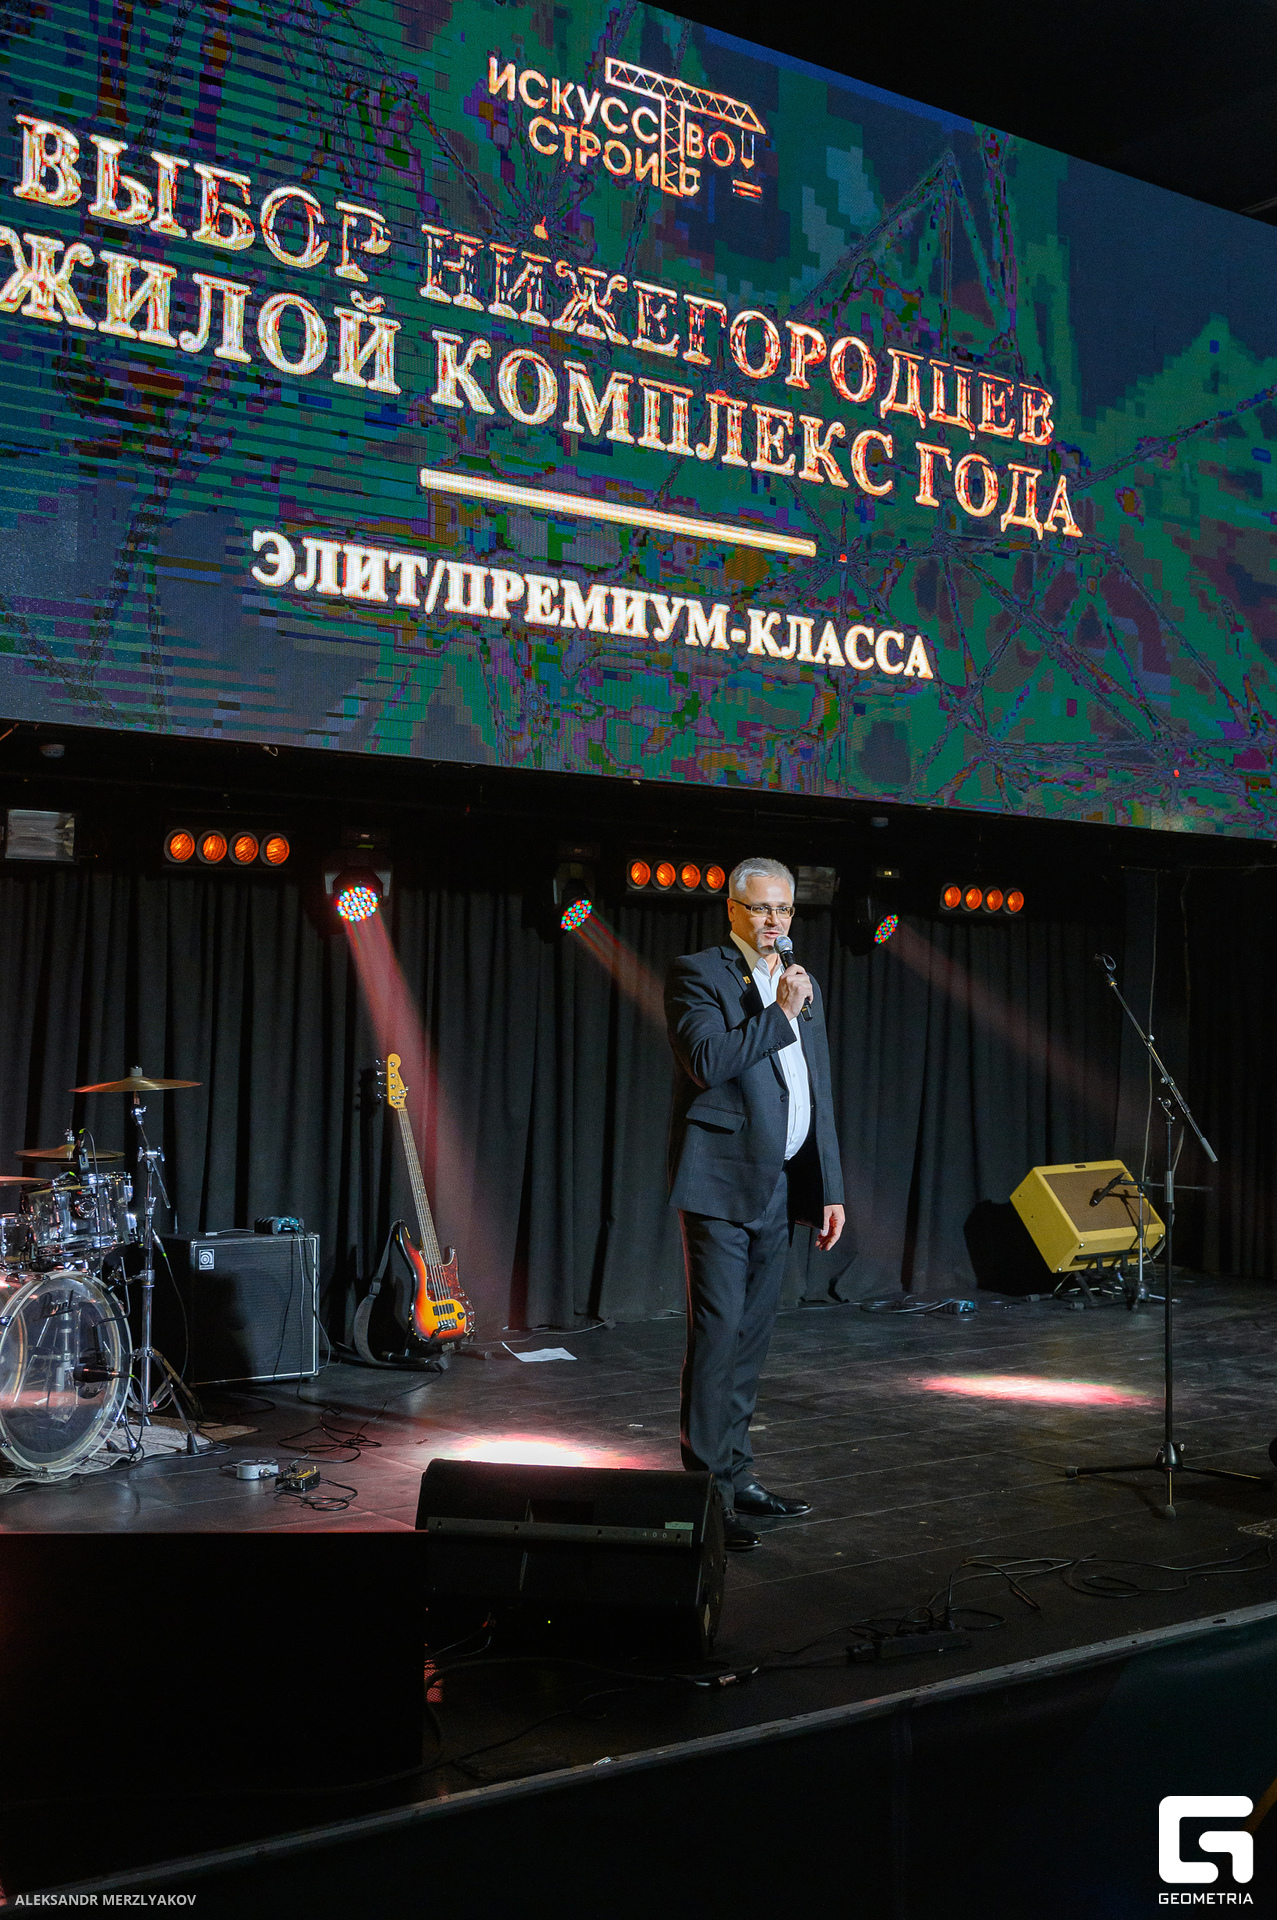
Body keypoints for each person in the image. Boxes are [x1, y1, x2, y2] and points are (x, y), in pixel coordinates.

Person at [664, 857, 846, 1551]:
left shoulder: (800, 981)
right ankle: (705, 1496)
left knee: (751, 1340)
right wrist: (779, 1013)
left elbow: (816, 1089)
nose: (774, 921)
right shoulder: (699, 974)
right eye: (761, 909)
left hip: (780, 1186)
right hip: (719, 1184)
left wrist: (829, 1188)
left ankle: (738, 1477)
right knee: (717, 1338)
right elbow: (707, 1063)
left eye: (784, 909)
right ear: (733, 911)